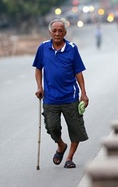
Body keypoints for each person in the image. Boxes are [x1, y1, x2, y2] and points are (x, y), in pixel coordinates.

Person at [32, 18, 89, 169]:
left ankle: (69, 158)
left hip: (70, 97)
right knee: (52, 127)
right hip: (50, 98)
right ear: (50, 32)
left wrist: (84, 93)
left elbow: (78, 72)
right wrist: (39, 87)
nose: (57, 33)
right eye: (54, 31)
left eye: (60, 31)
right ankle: (61, 145)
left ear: (65, 32)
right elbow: (38, 68)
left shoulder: (72, 48)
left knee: (75, 129)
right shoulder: (43, 48)